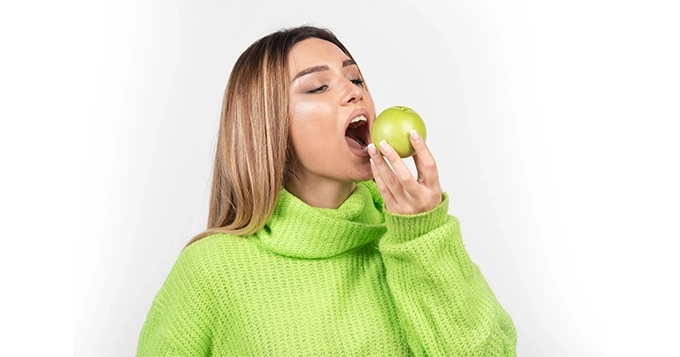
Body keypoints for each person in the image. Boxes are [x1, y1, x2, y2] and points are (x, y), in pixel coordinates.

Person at [136, 25, 517, 357]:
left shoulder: (415, 241)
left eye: (356, 79)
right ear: (269, 127)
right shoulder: (212, 269)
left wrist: (422, 235)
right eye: (318, 86)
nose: (354, 93)